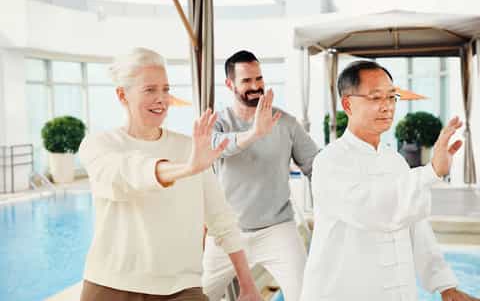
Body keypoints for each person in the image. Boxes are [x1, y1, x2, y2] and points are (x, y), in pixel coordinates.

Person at [78, 47, 262, 301]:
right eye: (150, 90)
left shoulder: (190, 147)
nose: (161, 99)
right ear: (123, 95)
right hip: (110, 286)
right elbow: (128, 172)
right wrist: (186, 169)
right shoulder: (99, 145)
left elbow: (221, 218)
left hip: (181, 288)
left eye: (165, 89)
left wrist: (248, 285)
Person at [301, 60, 478, 301]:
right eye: (375, 98)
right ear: (347, 104)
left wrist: (445, 286)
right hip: (343, 291)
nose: (387, 107)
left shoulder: (395, 161)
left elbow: (416, 225)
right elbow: (373, 210)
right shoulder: (330, 162)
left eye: (391, 97)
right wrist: (431, 172)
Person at [202, 50, 320, 301]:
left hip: (277, 229)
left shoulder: (285, 122)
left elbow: (316, 166)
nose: (255, 86)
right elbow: (213, 147)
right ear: (229, 84)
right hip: (226, 232)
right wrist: (254, 133)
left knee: (307, 294)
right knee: (199, 295)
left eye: (259, 79)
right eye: (246, 81)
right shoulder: (218, 122)